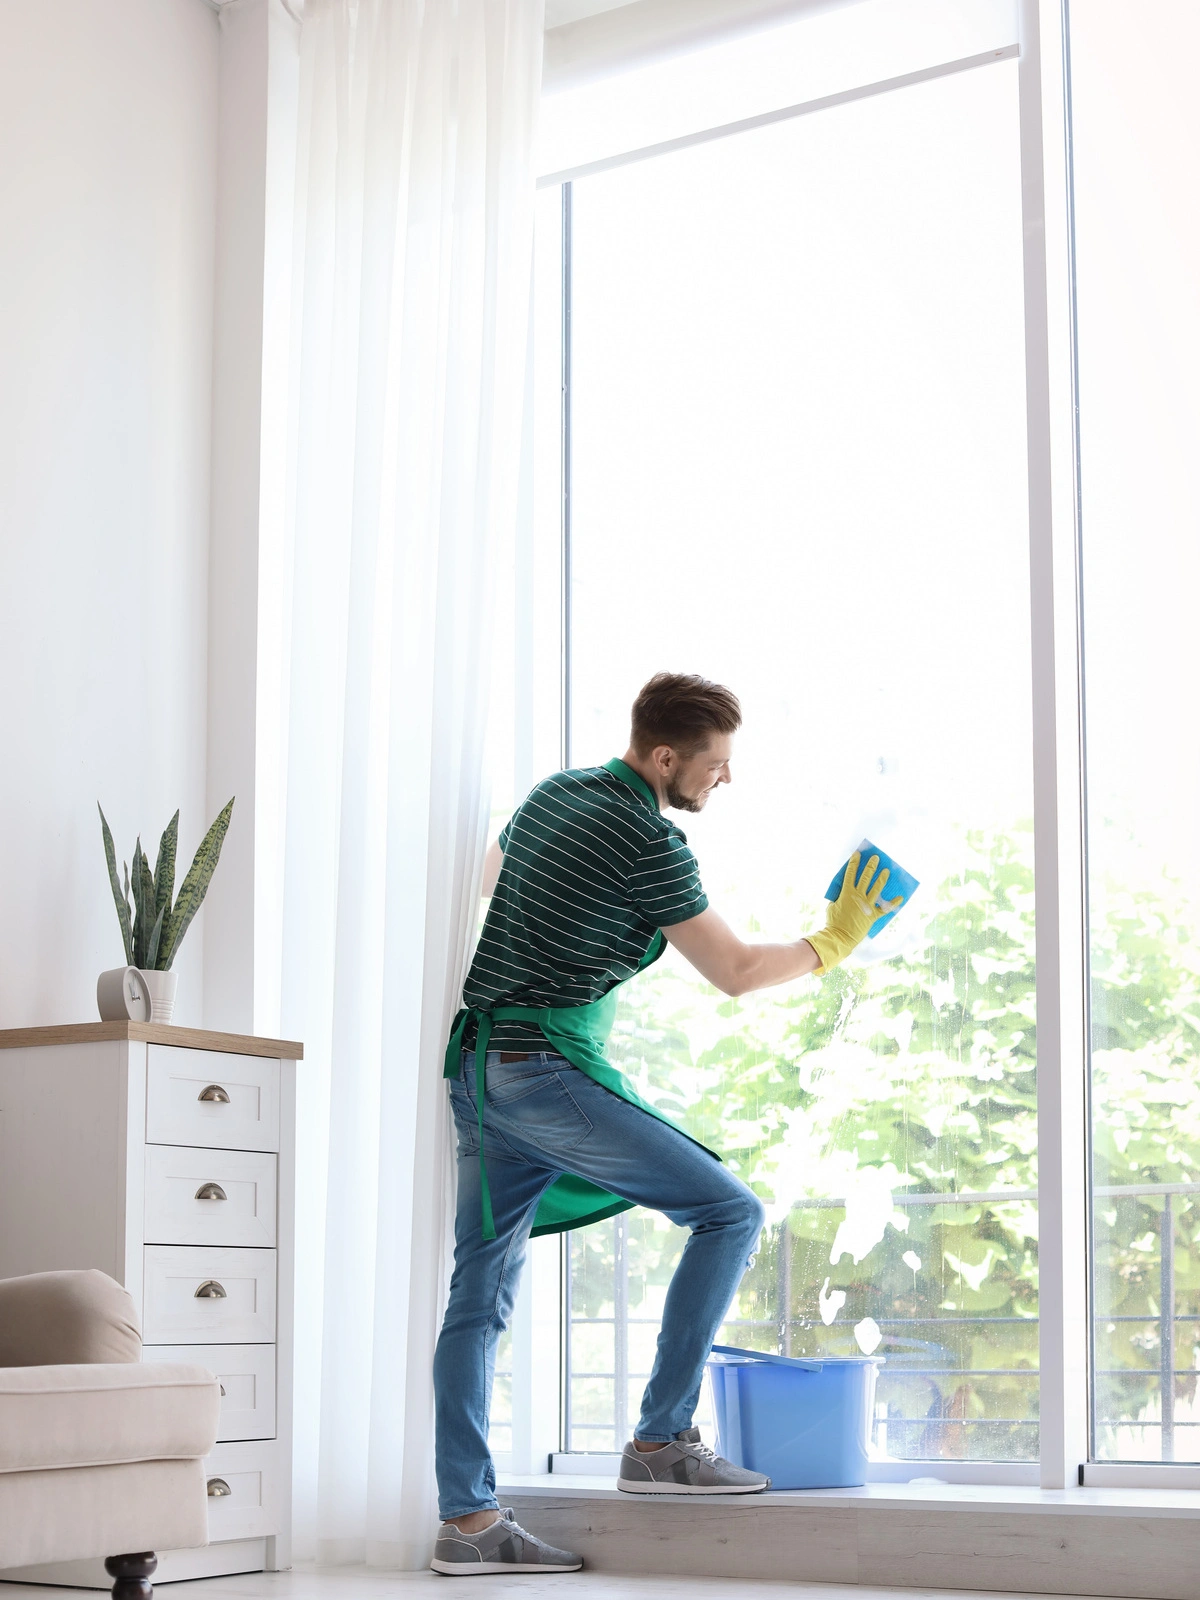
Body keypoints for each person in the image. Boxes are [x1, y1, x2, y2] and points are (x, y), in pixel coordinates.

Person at [430, 672, 899, 1577]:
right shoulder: (649, 839)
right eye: (714, 766)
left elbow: (492, 880)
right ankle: (660, 1443)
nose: (722, 782)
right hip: (540, 1068)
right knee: (730, 1211)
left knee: (475, 1302)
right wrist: (838, 939)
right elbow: (733, 971)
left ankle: (469, 1523)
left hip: (481, 1072)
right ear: (664, 756)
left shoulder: (554, 794)